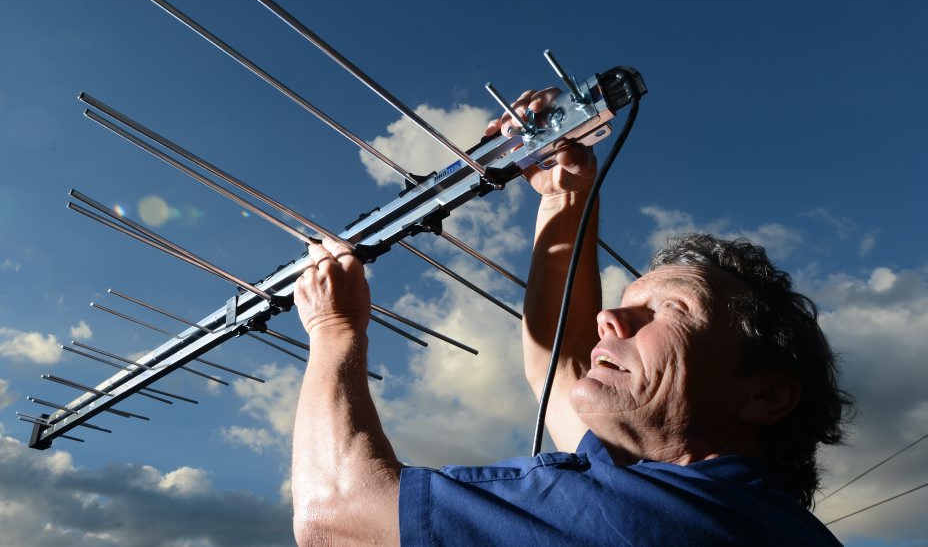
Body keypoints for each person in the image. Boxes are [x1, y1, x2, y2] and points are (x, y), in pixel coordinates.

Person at [291, 89, 851, 545]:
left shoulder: (667, 522)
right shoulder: (729, 507)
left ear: (767, 394)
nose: (610, 317)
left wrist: (333, 331)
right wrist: (566, 197)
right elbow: (560, 365)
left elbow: (336, 516)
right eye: (627, 301)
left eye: (670, 311)